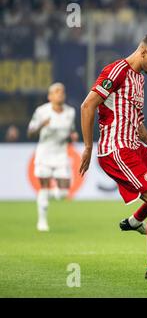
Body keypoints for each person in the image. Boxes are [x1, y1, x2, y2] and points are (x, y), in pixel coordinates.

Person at [79, 34, 147, 281]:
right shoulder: (117, 70)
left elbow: (137, 124)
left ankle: (136, 219)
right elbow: (88, 105)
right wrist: (87, 147)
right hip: (116, 150)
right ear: (142, 51)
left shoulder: (139, 79)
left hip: (135, 146)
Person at [27, 83, 78, 232]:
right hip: (44, 153)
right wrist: (41, 125)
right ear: (50, 96)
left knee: (63, 193)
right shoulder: (42, 111)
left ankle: (45, 196)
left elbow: (71, 132)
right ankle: (42, 222)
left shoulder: (70, 112)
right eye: (56, 92)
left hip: (61, 154)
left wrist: (72, 136)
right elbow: (30, 133)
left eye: (62, 92)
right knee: (44, 185)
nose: (60, 94)